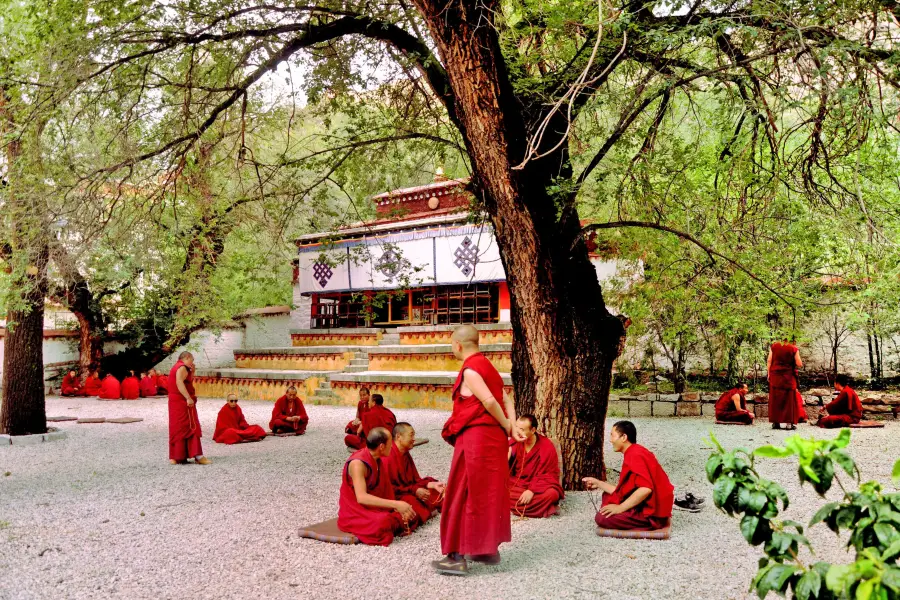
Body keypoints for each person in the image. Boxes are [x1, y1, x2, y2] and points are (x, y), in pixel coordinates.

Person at [433, 325, 523, 576]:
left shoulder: (471, 370)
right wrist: (511, 425)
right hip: (493, 441)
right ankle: (485, 550)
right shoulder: (490, 367)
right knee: (488, 492)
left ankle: (456, 557)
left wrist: (507, 426)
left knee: (462, 492)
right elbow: (507, 399)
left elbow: (491, 402)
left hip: (476, 439)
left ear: (458, 345)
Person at [583, 421, 674, 531]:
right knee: (607, 496)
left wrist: (620, 508)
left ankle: (648, 524)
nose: (610, 440)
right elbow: (623, 490)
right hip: (647, 504)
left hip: (651, 513)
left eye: (612, 435)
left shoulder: (634, 455)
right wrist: (598, 483)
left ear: (624, 437)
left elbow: (646, 489)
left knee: (601, 518)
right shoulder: (634, 451)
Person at [337, 427, 417, 546]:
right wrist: (396, 504)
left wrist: (396, 506)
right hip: (355, 511)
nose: (393, 446)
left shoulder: (377, 459)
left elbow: (384, 489)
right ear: (381, 447)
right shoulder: (357, 464)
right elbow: (361, 498)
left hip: (373, 508)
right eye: (391, 443)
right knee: (383, 522)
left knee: (409, 509)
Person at [387, 422, 445, 524]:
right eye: (411, 435)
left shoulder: (405, 453)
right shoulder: (387, 456)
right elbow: (389, 489)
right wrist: (415, 490)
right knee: (414, 507)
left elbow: (415, 480)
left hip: (408, 491)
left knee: (437, 489)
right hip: (397, 496)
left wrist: (431, 484)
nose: (414, 439)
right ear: (398, 436)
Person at [507, 414, 564, 518]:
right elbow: (503, 468)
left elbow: (549, 474)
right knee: (499, 489)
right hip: (518, 483)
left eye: (522, 430)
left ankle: (517, 506)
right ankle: (545, 508)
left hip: (539, 484)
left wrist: (532, 490)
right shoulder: (515, 441)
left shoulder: (546, 446)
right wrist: (508, 452)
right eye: (517, 428)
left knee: (552, 494)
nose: (518, 432)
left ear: (533, 430)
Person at [168, 352, 210, 465]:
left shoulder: (176, 366)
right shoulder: (182, 367)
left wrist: (193, 372)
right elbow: (179, 382)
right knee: (191, 424)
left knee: (178, 426)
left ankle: (177, 456)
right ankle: (198, 455)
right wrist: (188, 398)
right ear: (186, 358)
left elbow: (186, 381)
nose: (192, 362)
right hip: (182, 400)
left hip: (174, 401)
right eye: (192, 359)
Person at [767, 337, 803, 430]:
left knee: (775, 399)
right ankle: (789, 424)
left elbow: (769, 360)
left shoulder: (774, 346)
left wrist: (769, 373)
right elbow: (799, 363)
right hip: (788, 377)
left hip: (775, 376)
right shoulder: (793, 348)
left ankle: (776, 423)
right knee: (789, 400)